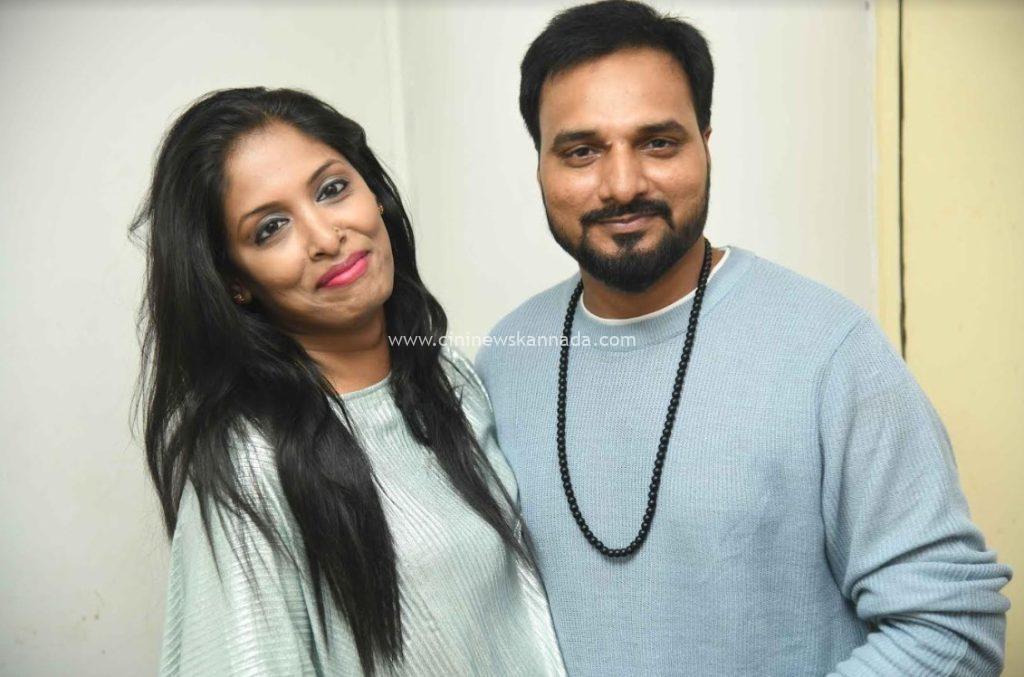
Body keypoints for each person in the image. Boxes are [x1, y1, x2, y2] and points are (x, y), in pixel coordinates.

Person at [474, 2, 1012, 675]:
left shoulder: (830, 350)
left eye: (658, 143)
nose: (622, 184)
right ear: (540, 166)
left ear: (705, 143)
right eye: (582, 151)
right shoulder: (505, 358)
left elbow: (951, 625)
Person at [131, 87, 564, 676]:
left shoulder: (447, 375)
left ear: (374, 194)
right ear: (235, 282)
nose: (325, 237)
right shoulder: (252, 460)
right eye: (271, 228)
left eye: (332, 189)